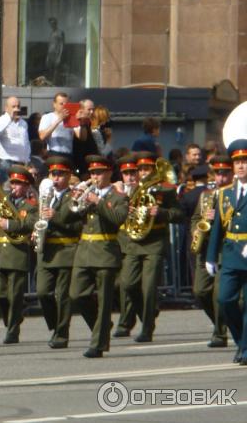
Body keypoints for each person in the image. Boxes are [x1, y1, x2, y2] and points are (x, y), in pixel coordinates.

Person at [68, 155, 129, 358]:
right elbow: (70, 216)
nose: (95, 177)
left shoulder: (118, 197)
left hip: (105, 252)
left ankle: (98, 344)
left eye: (99, 173)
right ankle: (101, 325)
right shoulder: (88, 193)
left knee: (104, 301)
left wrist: (99, 202)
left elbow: (117, 219)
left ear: (109, 173)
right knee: (77, 295)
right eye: (92, 173)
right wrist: (74, 198)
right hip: (84, 251)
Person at [120, 152, 184, 343]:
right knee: (128, 284)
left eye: (147, 169)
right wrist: (126, 209)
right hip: (134, 242)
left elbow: (179, 214)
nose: (143, 173)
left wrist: (162, 212)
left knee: (148, 288)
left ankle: (147, 328)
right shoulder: (129, 189)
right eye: (140, 169)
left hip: (155, 242)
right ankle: (146, 312)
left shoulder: (166, 190)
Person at [206, 139, 247, 364]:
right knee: (225, 300)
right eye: (237, 162)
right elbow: (217, 229)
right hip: (231, 253)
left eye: (245, 161)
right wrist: (211, 257)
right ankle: (242, 341)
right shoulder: (224, 194)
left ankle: (245, 349)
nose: (241, 166)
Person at [35, 157, 81, 348]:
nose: (56, 178)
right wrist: (35, 229)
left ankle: (61, 335)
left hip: (65, 249)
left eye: (60, 174)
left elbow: (78, 225)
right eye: (53, 174)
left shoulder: (75, 197)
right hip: (47, 251)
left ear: (69, 175)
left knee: (63, 296)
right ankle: (56, 326)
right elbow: (39, 219)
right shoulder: (46, 196)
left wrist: (56, 217)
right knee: (43, 292)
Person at [0, 166, 38, 344]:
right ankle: (13, 319)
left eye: (19, 184)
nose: (14, 187)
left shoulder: (31, 206)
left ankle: (12, 330)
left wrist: (9, 224)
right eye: (13, 183)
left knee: (14, 295)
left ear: (26, 187)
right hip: (1, 252)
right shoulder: (1, 201)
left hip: (18, 252)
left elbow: (30, 223)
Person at [191, 155, 233, 348]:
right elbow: (195, 218)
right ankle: (222, 321)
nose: (221, 178)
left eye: (225, 174)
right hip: (206, 248)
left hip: (224, 250)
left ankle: (219, 333)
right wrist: (196, 230)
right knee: (200, 291)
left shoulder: (233, 195)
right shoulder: (206, 195)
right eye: (218, 174)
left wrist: (219, 218)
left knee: (218, 293)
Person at [111, 155, 140, 338]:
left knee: (126, 284)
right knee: (116, 284)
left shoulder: (143, 191)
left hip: (135, 242)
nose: (130, 177)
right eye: (126, 173)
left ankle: (125, 322)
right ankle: (146, 309)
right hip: (117, 240)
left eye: (133, 173)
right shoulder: (116, 191)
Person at [0, 96, 31, 182]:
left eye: (18, 106)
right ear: (6, 108)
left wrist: (28, 160)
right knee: (7, 189)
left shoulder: (23, 123)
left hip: (21, 163)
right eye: (13, 107)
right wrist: (10, 118)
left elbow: (25, 143)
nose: (16, 109)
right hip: (6, 162)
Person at [38, 92, 87, 164]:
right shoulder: (47, 117)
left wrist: (82, 124)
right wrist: (59, 120)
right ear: (54, 104)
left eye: (66, 104)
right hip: (54, 153)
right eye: (61, 104)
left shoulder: (72, 117)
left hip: (68, 154)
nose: (64, 106)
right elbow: (42, 136)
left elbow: (82, 138)